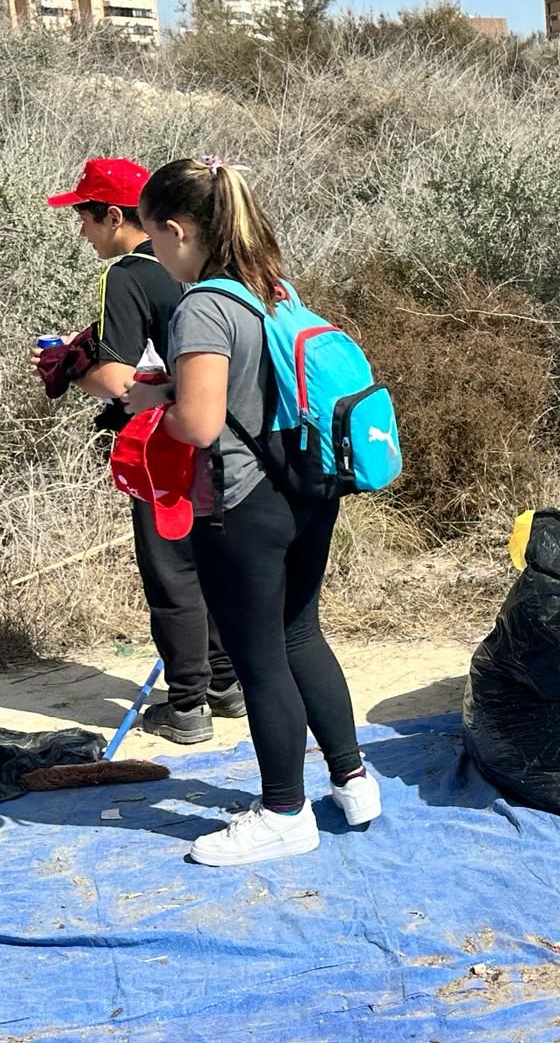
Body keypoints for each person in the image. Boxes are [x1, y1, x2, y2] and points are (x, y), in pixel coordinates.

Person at [123, 158, 379, 866]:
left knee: (259, 658)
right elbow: (251, 388)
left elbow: (202, 424)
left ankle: (283, 812)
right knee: (301, 636)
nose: (154, 254)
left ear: (177, 231)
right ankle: (354, 782)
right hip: (306, 489)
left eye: (154, 239)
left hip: (240, 505)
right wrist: (170, 390)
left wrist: (154, 410)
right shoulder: (271, 289)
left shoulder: (203, 305)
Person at [34, 158, 241, 744]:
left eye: (84, 216)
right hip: (228, 436)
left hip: (166, 438)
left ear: (116, 216)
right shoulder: (204, 264)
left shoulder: (124, 273)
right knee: (211, 559)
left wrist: (67, 368)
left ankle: (187, 705)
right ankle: (226, 684)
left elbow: (122, 380)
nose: (81, 231)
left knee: (170, 566)